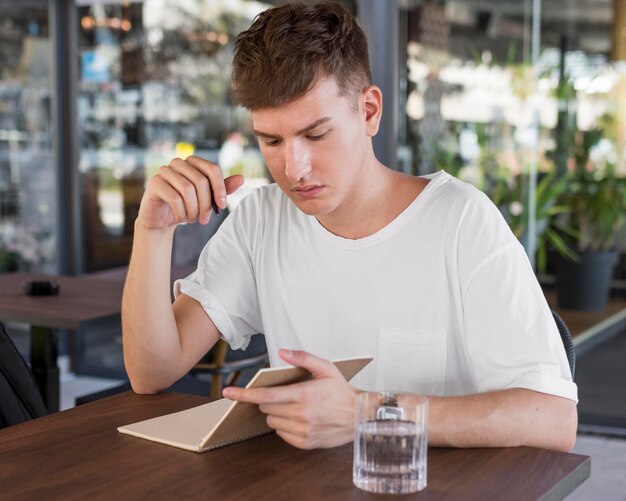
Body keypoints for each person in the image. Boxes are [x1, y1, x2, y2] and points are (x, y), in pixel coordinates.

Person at [122, 1, 577, 452]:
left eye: (316, 135)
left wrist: (367, 411)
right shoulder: (261, 220)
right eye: (272, 141)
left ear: (370, 111)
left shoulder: (461, 222)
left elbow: (552, 420)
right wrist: (153, 232)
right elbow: (151, 372)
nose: (294, 168)